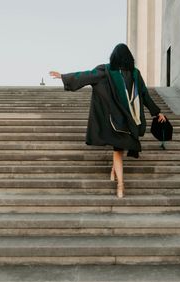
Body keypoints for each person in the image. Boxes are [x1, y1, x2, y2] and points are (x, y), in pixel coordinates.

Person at [49, 43, 166, 198]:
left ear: (114, 57)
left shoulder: (107, 70)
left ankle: (115, 174)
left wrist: (63, 76)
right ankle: (120, 186)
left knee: (118, 150)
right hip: (130, 120)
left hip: (115, 120)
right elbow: (145, 95)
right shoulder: (135, 73)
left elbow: (87, 75)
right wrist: (157, 112)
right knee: (118, 150)